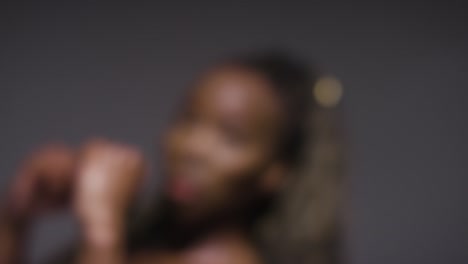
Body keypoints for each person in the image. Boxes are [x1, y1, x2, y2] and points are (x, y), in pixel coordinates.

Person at [0, 51, 317, 264]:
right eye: (188, 120)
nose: (191, 148)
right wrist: (17, 214)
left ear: (274, 173)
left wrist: (100, 230)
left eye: (230, 138)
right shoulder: (144, 245)